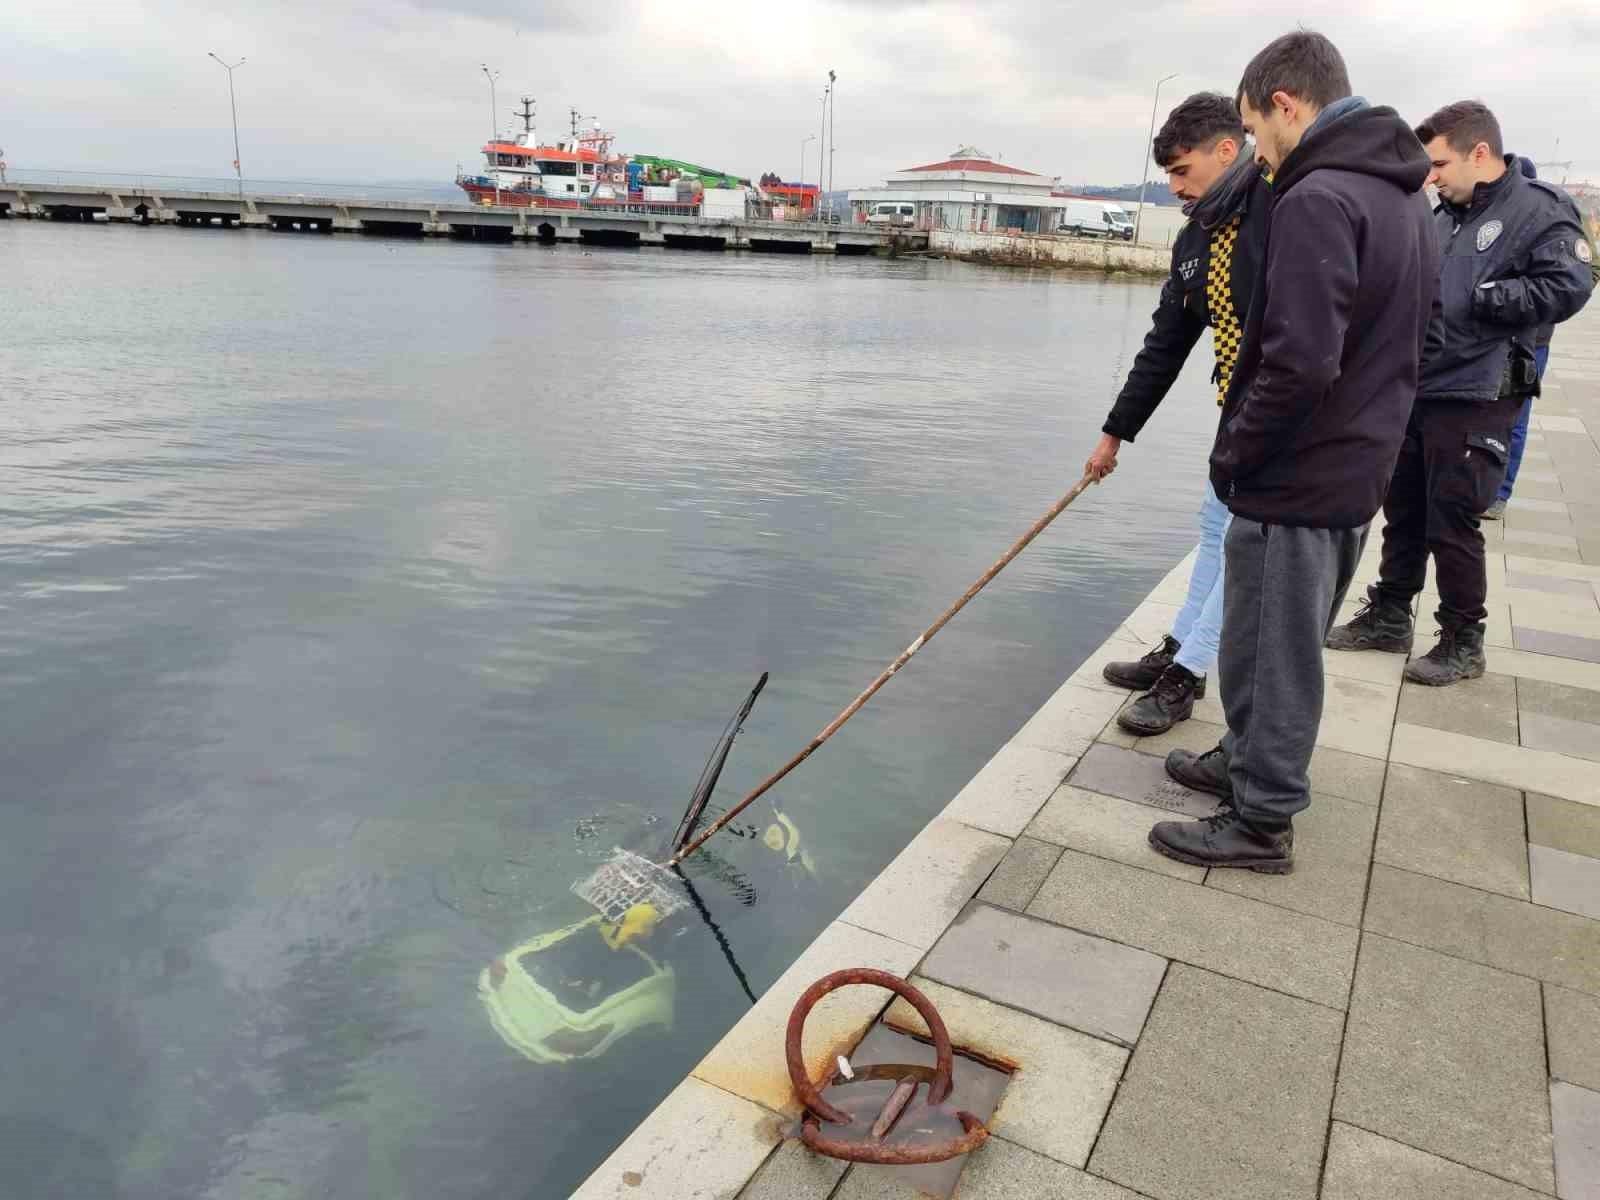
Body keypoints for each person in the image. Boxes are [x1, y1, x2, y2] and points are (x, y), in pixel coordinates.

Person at [1147, 31, 1437, 872]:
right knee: (1266, 636)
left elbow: (1299, 359)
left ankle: (1261, 819)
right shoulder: (1403, 197)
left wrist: (1236, 450)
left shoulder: (1319, 197)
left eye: (1257, 129)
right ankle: (1243, 760)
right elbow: (1423, 333)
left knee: (1272, 651)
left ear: (1284, 105)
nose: (1260, 154)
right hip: (1354, 463)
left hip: (1297, 472)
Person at [1325, 102, 1593, 685]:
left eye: (1440, 163)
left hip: (1481, 387)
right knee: (1405, 507)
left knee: (1452, 515)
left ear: (1480, 153)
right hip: (1423, 384)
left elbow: (1570, 284)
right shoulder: (1445, 213)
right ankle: (1391, 614)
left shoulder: (1540, 210)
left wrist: (1487, 300)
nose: (1432, 176)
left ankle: (1463, 637)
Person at [1088, 93, 1270, 736]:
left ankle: (1187, 676)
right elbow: (1166, 343)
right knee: (1214, 526)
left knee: (1246, 545)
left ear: (1228, 150)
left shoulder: (1281, 213)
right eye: (1166, 175)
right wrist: (1115, 433)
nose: (1173, 189)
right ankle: (1179, 645)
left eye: (1181, 171)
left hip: (1285, 416)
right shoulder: (1198, 235)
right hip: (1238, 409)